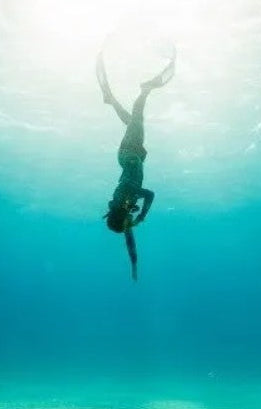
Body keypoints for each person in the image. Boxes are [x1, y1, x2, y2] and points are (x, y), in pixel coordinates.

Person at [97, 48, 175, 281]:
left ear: (122, 216)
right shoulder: (122, 208)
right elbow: (129, 239)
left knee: (137, 118)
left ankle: (145, 89)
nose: (129, 226)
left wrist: (143, 215)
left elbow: (149, 194)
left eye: (126, 223)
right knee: (132, 121)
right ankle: (111, 100)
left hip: (129, 154)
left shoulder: (126, 196)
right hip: (133, 156)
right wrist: (134, 264)